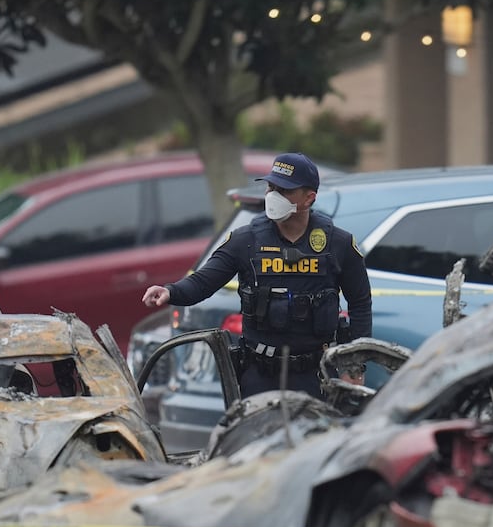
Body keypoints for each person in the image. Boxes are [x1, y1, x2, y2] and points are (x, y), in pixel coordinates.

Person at [142, 152, 372, 399]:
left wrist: (353, 365)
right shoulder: (246, 240)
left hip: (316, 376)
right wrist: (171, 291)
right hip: (260, 375)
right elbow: (203, 282)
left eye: (284, 190)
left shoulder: (338, 243)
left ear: (309, 198)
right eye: (271, 187)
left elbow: (360, 303)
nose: (273, 196)